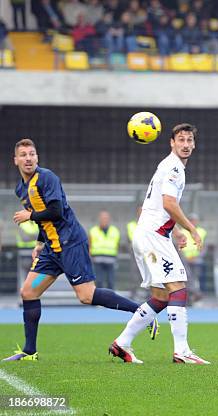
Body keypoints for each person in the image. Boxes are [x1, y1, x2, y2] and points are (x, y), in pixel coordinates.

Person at [4, 139, 150, 362]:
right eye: (23, 155)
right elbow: (45, 221)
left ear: (37, 158)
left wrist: (30, 216)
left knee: (86, 296)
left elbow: (56, 211)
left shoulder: (46, 178)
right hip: (52, 250)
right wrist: (40, 243)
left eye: (31, 154)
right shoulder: (20, 189)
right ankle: (29, 352)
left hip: (71, 243)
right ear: (15, 160)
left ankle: (141, 311)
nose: (28, 158)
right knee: (28, 292)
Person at [109, 123, 209, 365]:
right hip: (152, 237)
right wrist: (191, 228)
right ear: (172, 143)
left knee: (163, 296)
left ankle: (121, 344)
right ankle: (182, 351)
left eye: (189, 140)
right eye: (181, 140)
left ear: (194, 144)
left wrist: (174, 234)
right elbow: (168, 204)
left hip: (151, 235)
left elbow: (153, 206)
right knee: (179, 288)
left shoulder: (166, 166)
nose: (185, 145)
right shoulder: (174, 167)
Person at [89, 210, 121, 290]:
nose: (104, 220)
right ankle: (99, 301)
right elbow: (89, 245)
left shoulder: (115, 231)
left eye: (106, 218)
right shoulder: (93, 231)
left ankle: (111, 301)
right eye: (102, 218)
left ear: (109, 219)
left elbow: (117, 245)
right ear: (99, 219)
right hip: (97, 261)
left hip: (111, 261)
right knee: (99, 282)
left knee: (111, 282)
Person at [180, 213, 207, 298]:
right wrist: (185, 257)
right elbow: (179, 246)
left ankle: (193, 294)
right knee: (187, 277)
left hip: (197, 259)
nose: (193, 222)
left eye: (195, 220)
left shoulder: (202, 232)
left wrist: (197, 257)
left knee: (195, 278)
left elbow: (204, 247)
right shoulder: (181, 232)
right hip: (184, 260)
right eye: (191, 220)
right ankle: (193, 294)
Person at [15, 220, 39, 284]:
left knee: (36, 271)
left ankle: (34, 287)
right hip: (25, 251)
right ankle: (26, 287)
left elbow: (41, 235)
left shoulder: (35, 223)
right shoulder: (22, 224)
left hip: (35, 250)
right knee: (26, 271)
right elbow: (25, 238)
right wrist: (35, 236)